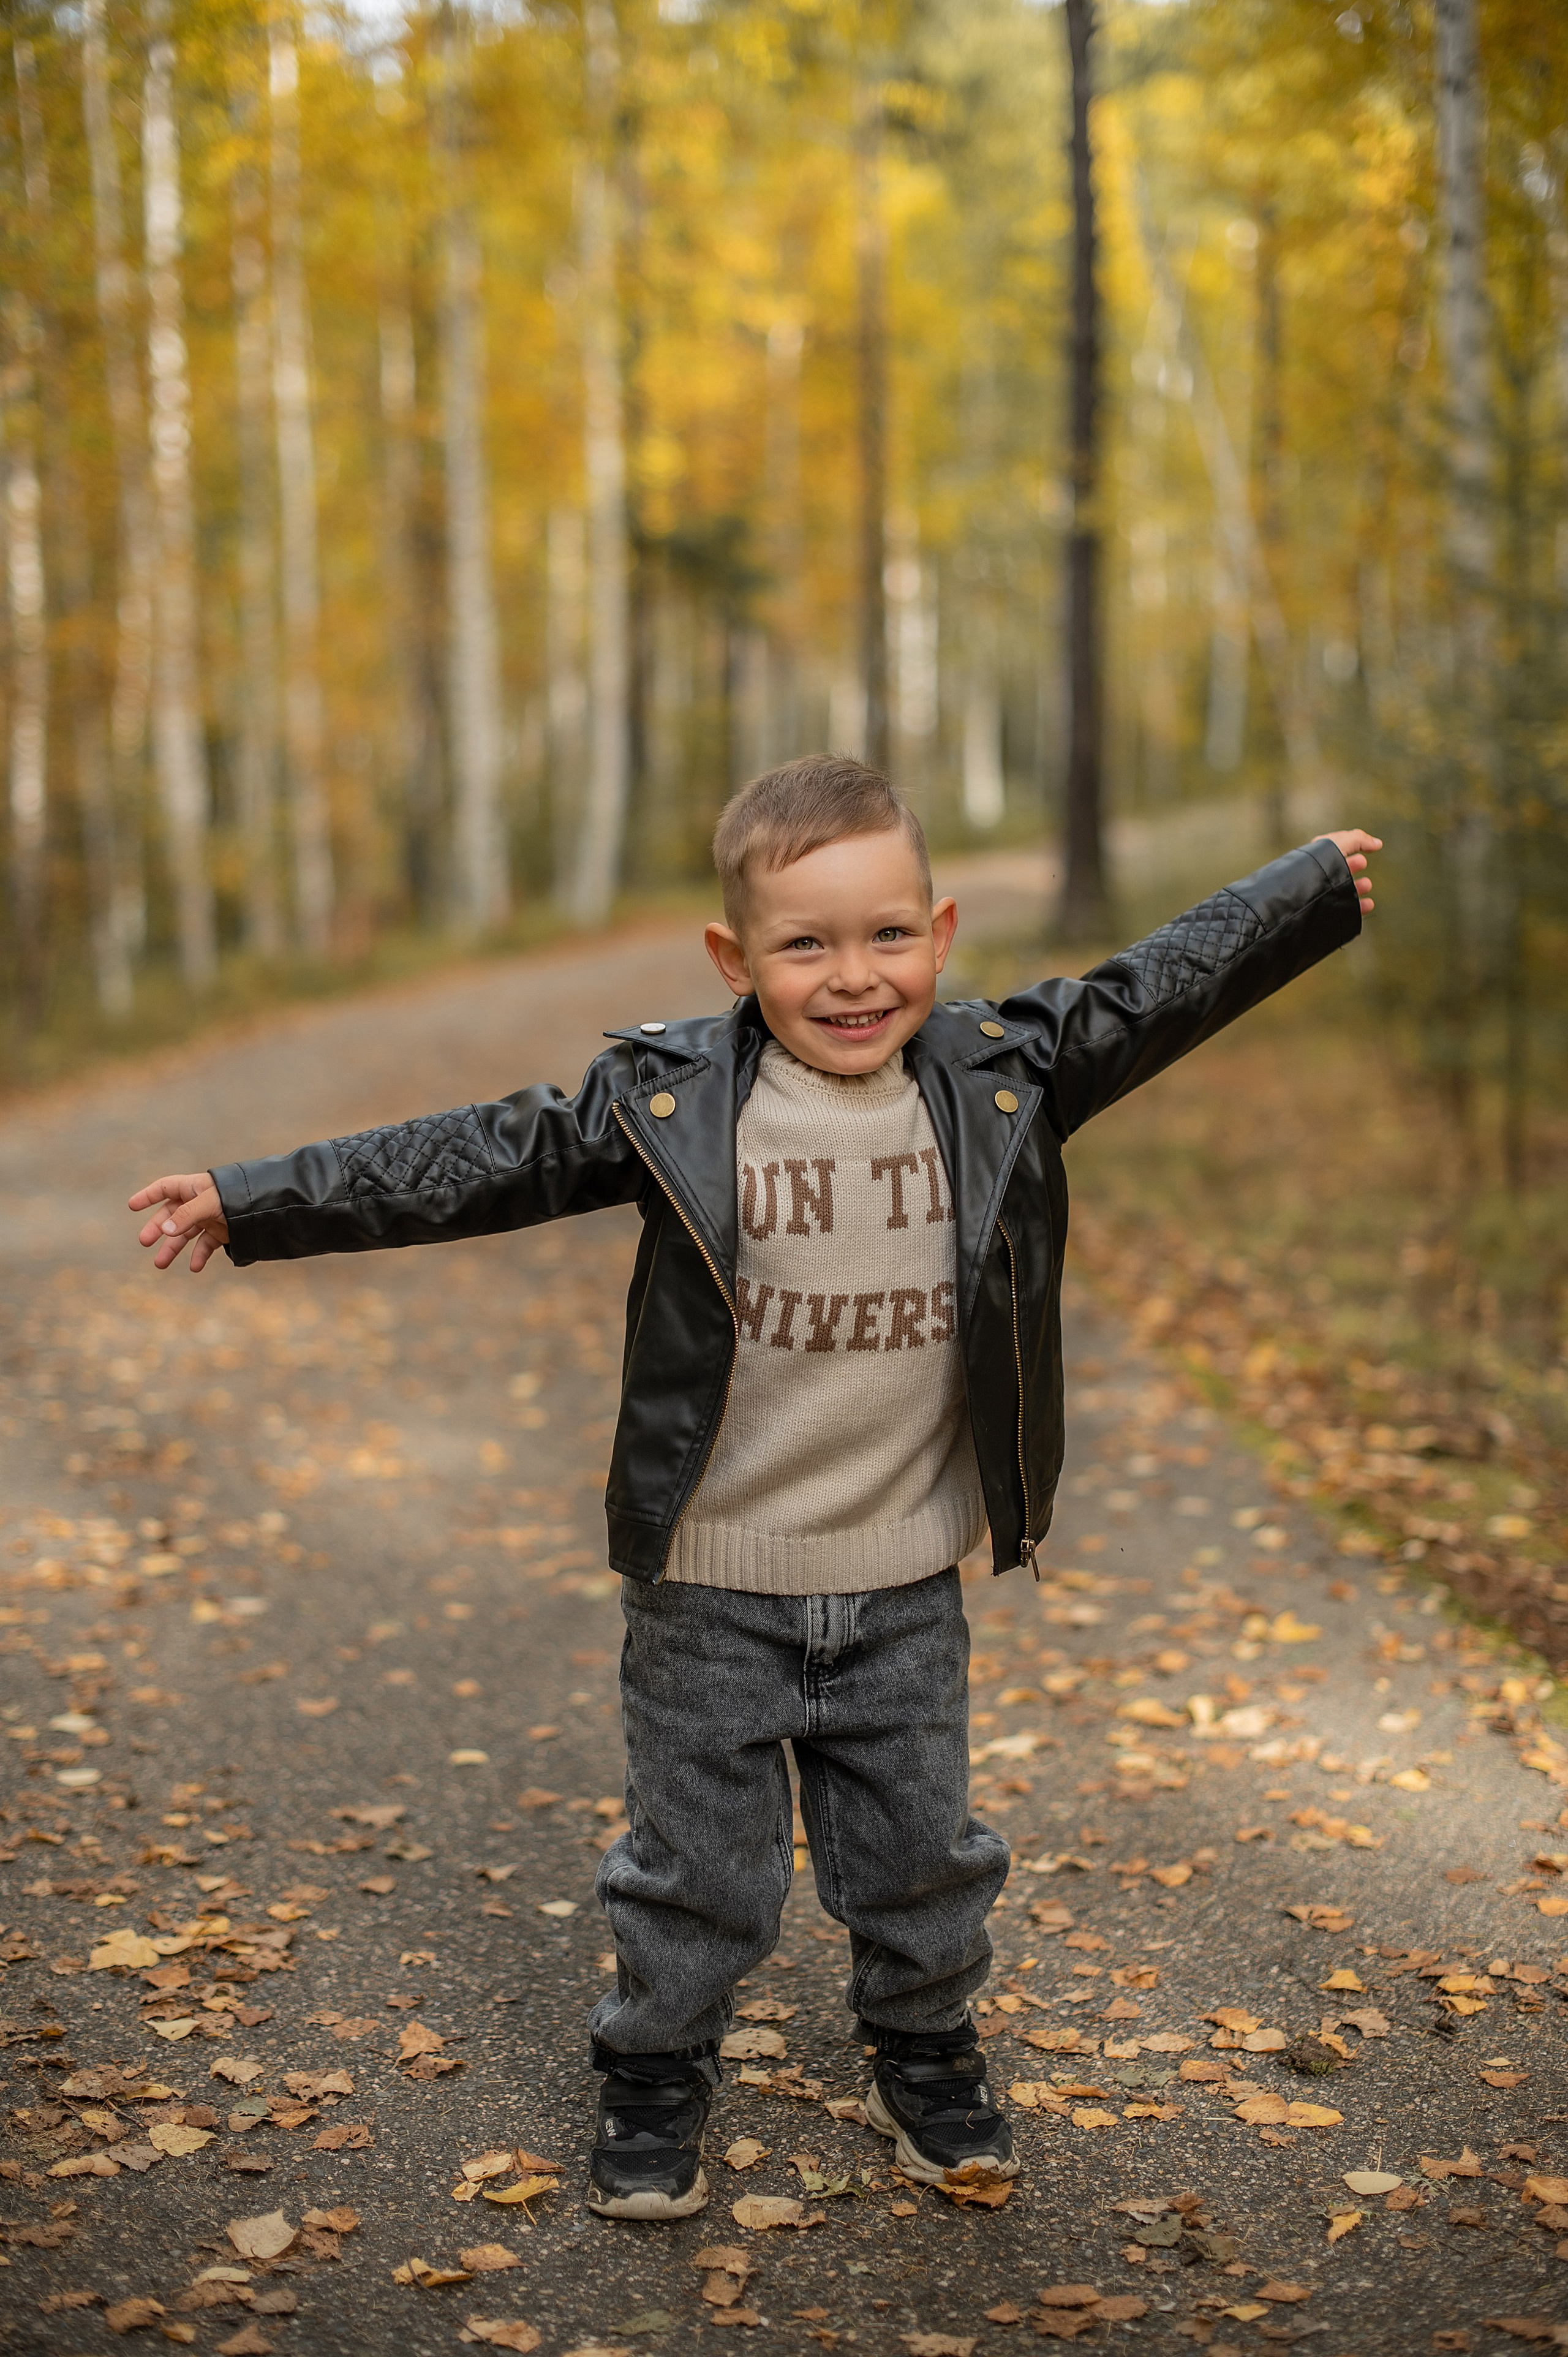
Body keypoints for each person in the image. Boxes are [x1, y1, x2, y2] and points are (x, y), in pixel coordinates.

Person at [130, 755, 1379, 2222]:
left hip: (904, 1576)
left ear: (941, 929)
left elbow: (1149, 985)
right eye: (805, 944)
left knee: (921, 1855)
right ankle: (653, 2070)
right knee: (697, 1874)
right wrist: (254, 1197)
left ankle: (921, 2049)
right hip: (710, 1582)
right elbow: (470, 1157)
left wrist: (1299, 892)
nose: (852, 978)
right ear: (735, 957)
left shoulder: (1004, 1072)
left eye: (887, 936)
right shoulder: (673, 1100)